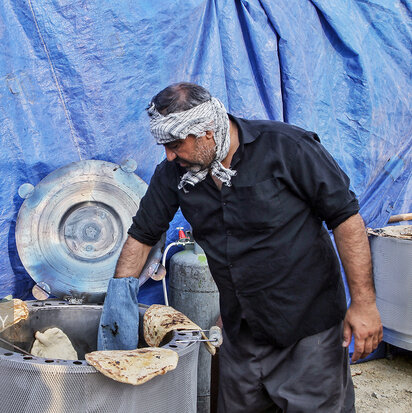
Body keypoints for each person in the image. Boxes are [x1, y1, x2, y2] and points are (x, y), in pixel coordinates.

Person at [98, 83, 382, 412]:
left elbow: (345, 219)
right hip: (241, 330)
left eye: (175, 144)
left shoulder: (286, 148)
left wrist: (364, 304)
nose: (169, 156)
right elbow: (142, 235)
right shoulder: (175, 174)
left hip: (306, 329)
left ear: (207, 131)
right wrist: (118, 305)